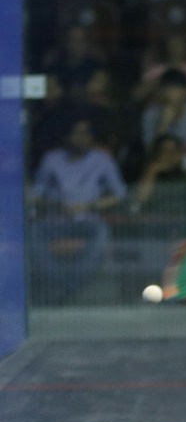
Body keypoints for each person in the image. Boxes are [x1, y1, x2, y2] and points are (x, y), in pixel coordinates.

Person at [29, 117, 127, 303]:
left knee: (101, 234)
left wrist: (89, 206)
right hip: (55, 219)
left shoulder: (102, 159)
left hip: (89, 219)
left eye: (87, 134)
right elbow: (36, 194)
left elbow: (120, 194)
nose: (83, 138)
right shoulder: (52, 159)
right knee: (34, 234)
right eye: (78, 133)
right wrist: (57, 205)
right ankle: (62, 282)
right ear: (67, 137)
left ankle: (71, 285)